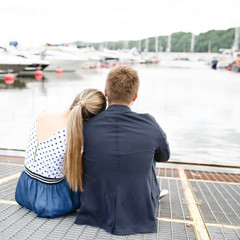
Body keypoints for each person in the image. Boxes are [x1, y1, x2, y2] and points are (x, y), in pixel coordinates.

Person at [75, 66, 170, 235]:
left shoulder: (87, 125)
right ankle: (149, 193)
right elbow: (164, 156)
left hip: (94, 207)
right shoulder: (150, 123)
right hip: (138, 210)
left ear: (106, 91)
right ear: (135, 96)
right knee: (149, 153)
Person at [15, 88, 106, 218]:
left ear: (76, 96)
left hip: (23, 190)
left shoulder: (40, 114)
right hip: (50, 202)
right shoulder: (74, 136)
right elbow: (77, 175)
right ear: (88, 118)